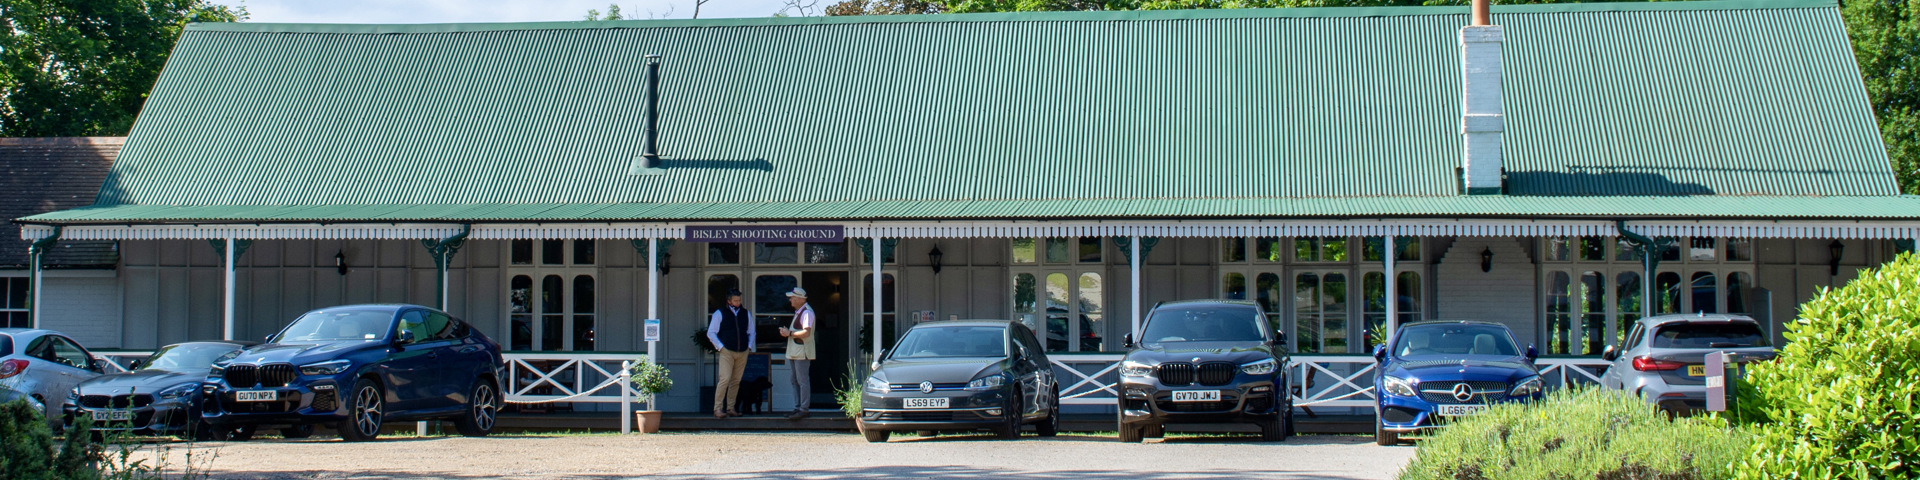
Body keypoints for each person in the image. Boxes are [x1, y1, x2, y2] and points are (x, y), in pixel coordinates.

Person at [706, 290, 754, 418]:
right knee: (724, 379)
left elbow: (751, 331)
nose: (738, 302)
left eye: (739, 300)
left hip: (742, 350)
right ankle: (717, 408)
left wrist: (749, 346)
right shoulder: (720, 313)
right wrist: (721, 347)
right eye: (735, 300)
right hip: (727, 350)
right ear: (729, 301)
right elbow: (711, 332)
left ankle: (730, 408)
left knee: (736, 380)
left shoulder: (745, 313)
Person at [778, 287, 815, 420]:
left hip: (802, 352)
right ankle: (798, 407)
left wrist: (789, 333)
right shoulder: (800, 312)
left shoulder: (807, 313)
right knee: (795, 380)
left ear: (800, 299)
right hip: (795, 351)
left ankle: (803, 409)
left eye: (792, 298)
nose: (790, 300)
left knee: (802, 381)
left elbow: (806, 332)